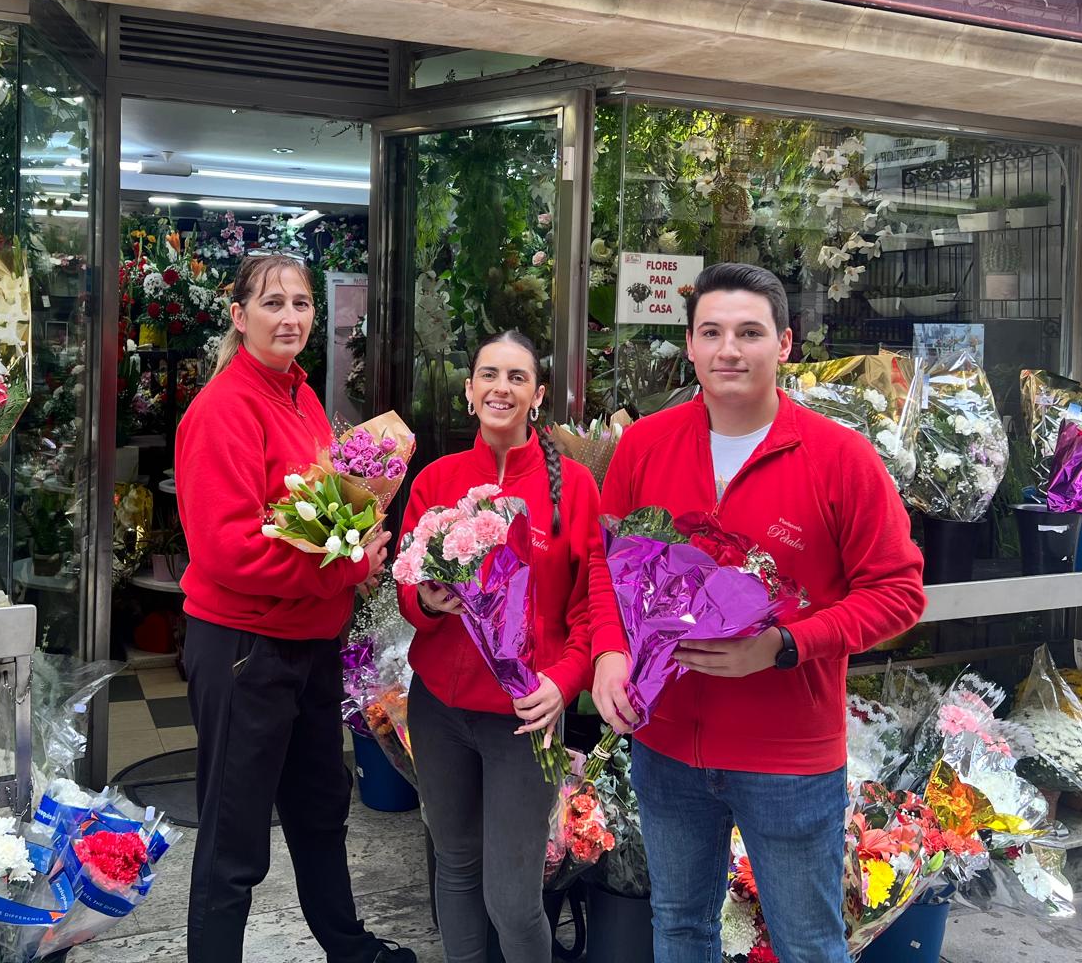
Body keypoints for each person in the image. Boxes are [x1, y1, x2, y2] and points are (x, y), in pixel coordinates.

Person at [591, 262, 926, 963]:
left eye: (749, 332)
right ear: (689, 345)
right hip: (666, 743)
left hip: (787, 756)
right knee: (680, 929)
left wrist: (782, 645)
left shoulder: (841, 458)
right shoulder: (645, 445)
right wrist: (609, 654)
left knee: (808, 943)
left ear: (785, 344)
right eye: (711, 332)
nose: (729, 350)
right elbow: (605, 564)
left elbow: (898, 593)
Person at [175, 253, 415, 963]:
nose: (290, 317)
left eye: (302, 303)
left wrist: (357, 551)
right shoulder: (221, 409)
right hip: (245, 647)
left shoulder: (302, 397)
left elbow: (322, 509)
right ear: (238, 314)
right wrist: (342, 568)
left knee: (319, 808)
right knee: (235, 834)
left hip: (309, 642)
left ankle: (348, 946)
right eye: (273, 303)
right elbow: (227, 549)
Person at [395, 329, 612, 963]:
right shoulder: (436, 480)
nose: (501, 388)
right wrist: (428, 603)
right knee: (456, 869)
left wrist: (564, 682)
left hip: (525, 717)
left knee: (514, 901)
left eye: (517, 377)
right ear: (469, 391)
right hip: (439, 708)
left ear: (537, 396)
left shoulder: (573, 486)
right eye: (489, 375)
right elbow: (409, 582)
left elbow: (589, 605)